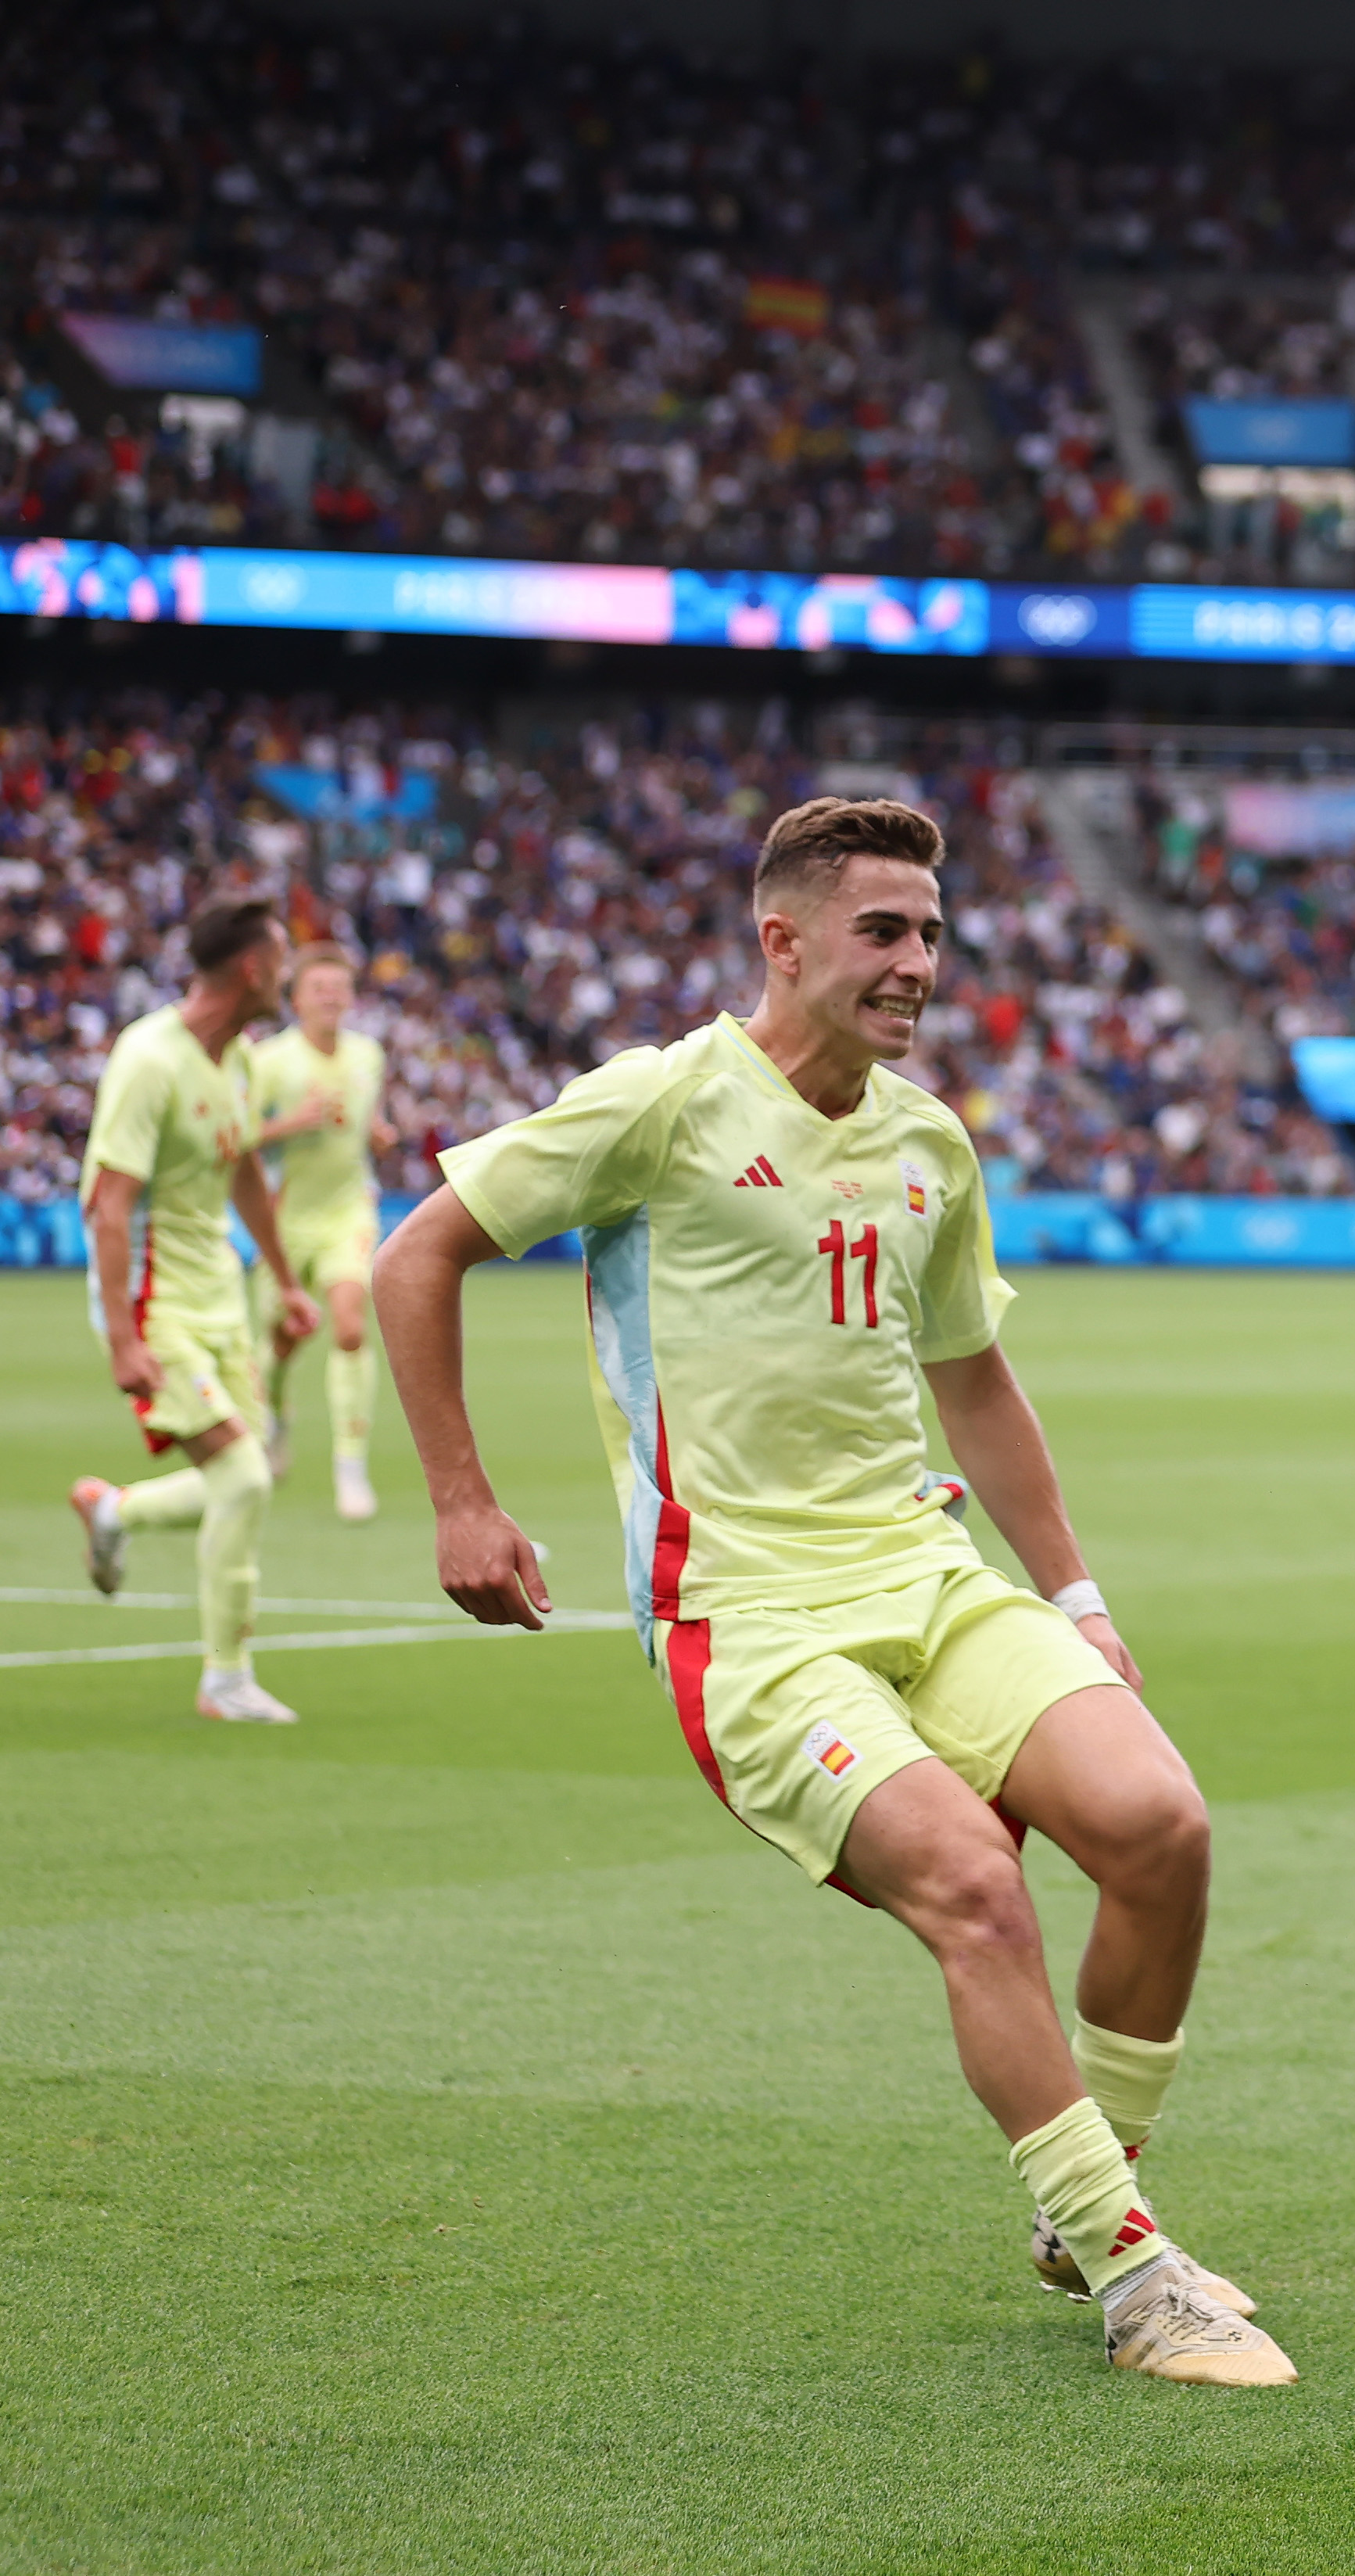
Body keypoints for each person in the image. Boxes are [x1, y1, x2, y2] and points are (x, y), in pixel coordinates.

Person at [372, 796, 1293, 2388]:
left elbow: (978, 1385)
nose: (918, 964)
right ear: (781, 941)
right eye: (884, 931)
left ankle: (1093, 2209)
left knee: (1162, 1826)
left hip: (928, 1574)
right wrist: (462, 1498)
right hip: (749, 1616)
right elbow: (417, 1255)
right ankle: (1143, 2285)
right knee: (974, 1891)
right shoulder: (657, 1106)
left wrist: (1073, 1599)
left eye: (931, 933)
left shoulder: (928, 1138)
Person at [68, 893, 324, 1725]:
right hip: (155, 1303)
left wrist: (285, 1280)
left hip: (218, 1294)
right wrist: (121, 1338)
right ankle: (225, 1679)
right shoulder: (148, 1058)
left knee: (243, 1473)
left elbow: (244, 1168)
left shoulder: (239, 1060)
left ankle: (115, 1510)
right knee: (244, 1475)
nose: (286, 976)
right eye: (282, 961)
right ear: (252, 969)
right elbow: (109, 1205)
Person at [248, 941, 396, 1520]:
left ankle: (350, 1468)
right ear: (295, 999)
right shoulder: (270, 1063)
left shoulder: (368, 1056)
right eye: (319, 988)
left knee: (351, 1327)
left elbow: (367, 1123)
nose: (331, 997)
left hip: (348, 1212)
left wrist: (378, 1134)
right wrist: (290, 1123)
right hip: (283, 1221)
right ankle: (276, 1422)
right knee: (285, 1339)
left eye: (340, 987)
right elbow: (238, 1138)